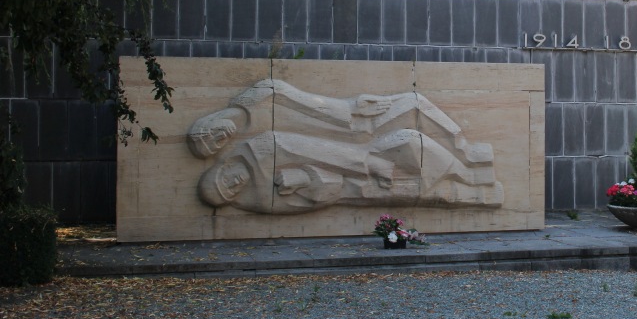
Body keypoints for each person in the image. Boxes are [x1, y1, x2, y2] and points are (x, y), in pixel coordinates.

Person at [187, 79, 502, 214]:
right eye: (230, 192)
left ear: (223, 166)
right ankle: (472, 179)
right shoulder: (262, 197)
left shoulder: (260, 143)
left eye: (225, 180)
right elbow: (320, 192)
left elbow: (318, 145)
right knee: (410, 158)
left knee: (413, 110)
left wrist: (350, 111)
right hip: (354, 172)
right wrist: (306, 179)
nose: (234, 185)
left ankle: (469, 160)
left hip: (353, 133)